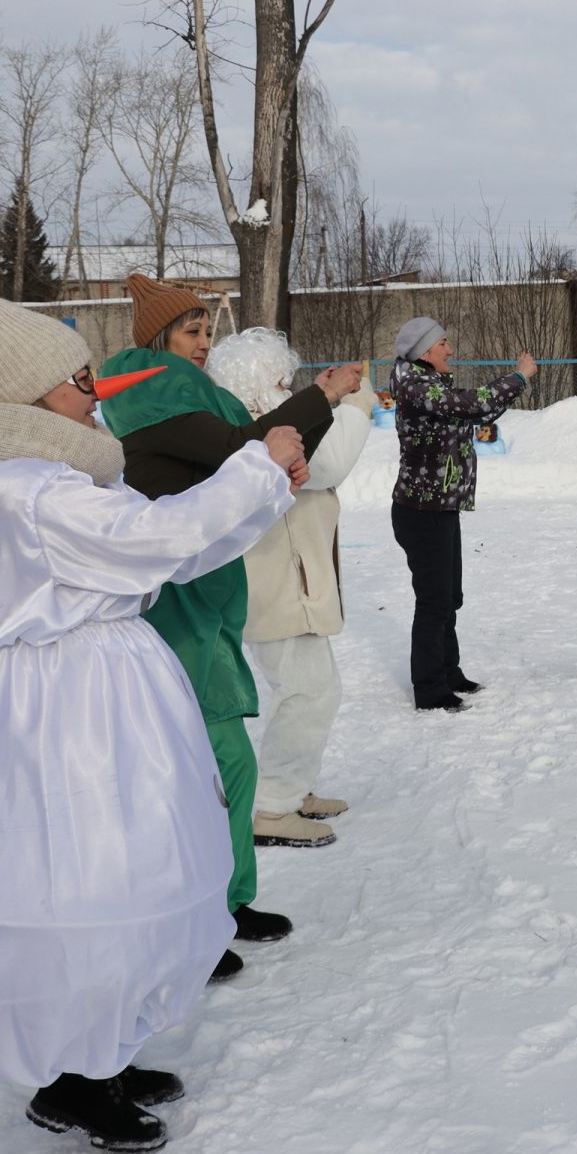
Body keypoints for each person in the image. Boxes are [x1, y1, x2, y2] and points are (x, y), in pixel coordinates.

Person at [0, 296, 298, 1152]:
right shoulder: (32, 492)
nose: (96, 392)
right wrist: (257, 463)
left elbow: (171, 548)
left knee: (128, 865)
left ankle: (101, 1054)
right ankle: (77, 1078)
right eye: (77, 380)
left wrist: (262, 489)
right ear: (32, 395)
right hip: (69, 708)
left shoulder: (61, 479)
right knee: (89, 877)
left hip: (102, 688)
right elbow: (159, 534)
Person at [100, 275, 363, 964]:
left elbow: (232, 479)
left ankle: (228, 903)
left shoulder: (179, 398)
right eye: (190, 331)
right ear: (159, 340)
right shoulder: (157, 397)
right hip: (175, 607)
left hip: (204, 597)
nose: (202, 342)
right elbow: (243, 445)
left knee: (225, 767)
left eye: (205, 330)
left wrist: (276, 485)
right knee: (217, 765)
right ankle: (201, 917)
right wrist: (329, 396)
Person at [207, 328, 374, 847]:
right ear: (260, 382)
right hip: (280, 584)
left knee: (311, 690)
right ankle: (274, 807)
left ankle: (292, 788)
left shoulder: (255, 421)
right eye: (281, 379)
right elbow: (328, 466)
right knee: (307, 694)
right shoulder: (265, 427)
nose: (288, 387)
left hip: (286, 580)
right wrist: (357, 405)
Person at [389, 316, 537, 711]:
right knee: (434, 601)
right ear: (424, 351)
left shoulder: (430, 385)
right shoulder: (417, 386)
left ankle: (449, 671)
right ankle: (430, 689)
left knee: (449, 597)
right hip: (421, 511)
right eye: (443, 344)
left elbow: (477, 414)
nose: (450, 350)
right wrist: (518, 378)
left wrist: (511, 389)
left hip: (441, 505)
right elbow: (470, 404)